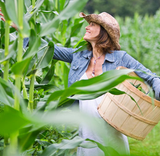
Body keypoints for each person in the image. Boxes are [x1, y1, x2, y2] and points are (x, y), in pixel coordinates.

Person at [1, 9, 160, 155]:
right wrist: (21, 29)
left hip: (112, 134)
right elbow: (47, 48)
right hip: (85, 137)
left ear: (104, 32)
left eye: (92, 25)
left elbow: (151, 77)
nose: (86, 27)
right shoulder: (78, 55)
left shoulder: (120, 58)